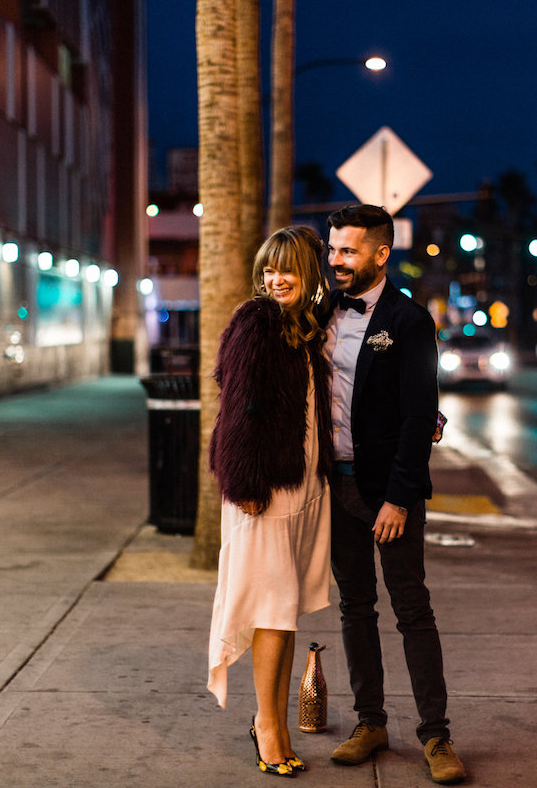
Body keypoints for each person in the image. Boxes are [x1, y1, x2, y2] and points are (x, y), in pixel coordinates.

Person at [323, 204, 467, 785]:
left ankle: (436, 735)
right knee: (355, 607)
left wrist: (400, 499)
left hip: (389, 490)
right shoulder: (321, 313)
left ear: (381, 255)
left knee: (412, 609)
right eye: (332, 249)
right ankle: (370, 722)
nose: (336, 261)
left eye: (348, 251)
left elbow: (418, 417)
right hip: (335, 485)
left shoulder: (409, 321)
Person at [206, 226, 333, 779]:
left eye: (286, 270)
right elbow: (238, 413)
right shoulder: (257, 324)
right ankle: (267, 726)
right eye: (268, 270)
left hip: (303, 488)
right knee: (271, 610)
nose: (275, 279)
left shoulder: (303, 330)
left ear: (309, 277)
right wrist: (248, 485)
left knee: (283, 615)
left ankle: (274, 723)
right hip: (267, 491)